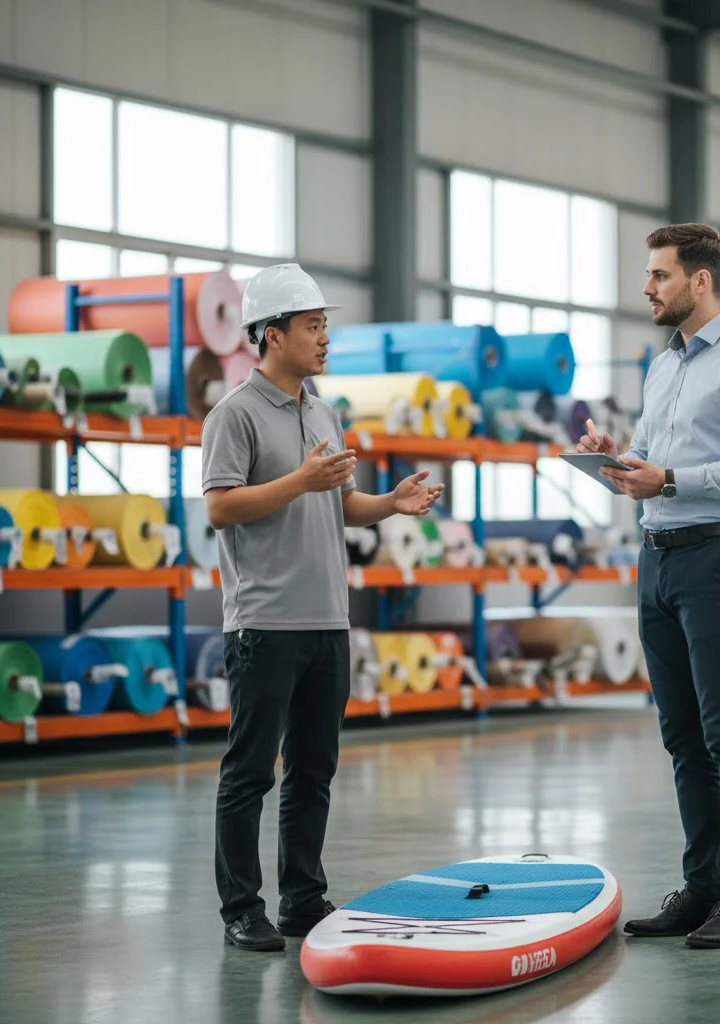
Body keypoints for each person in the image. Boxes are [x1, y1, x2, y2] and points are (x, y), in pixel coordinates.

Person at [203, 263, 443, 952]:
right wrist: (300, 478)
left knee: (314, 770)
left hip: (326, 622)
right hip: (264, 624)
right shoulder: (234, 415)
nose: (324, 337)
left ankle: (302, 899)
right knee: (250, 771)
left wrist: (389, 504)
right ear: (271, 334)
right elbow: (220, 507)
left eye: (324, 325)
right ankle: (241, 908)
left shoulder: (322, 410)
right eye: (312, 326)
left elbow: (339, 504)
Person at [578, 224, 720, 949]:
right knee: (682, 736)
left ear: (701, 281)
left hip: (718, 561)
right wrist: (620, 458)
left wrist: (669, 478)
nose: (647, 288)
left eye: (659, 276)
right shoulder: (664, 367)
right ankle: (702, 890)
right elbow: (654, 453)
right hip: (657, 557)